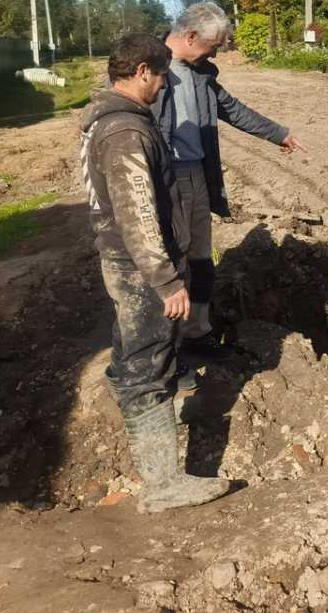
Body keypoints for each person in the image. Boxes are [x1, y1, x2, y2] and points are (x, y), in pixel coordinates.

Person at [81, 33, 229, 514]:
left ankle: (144, 445)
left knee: (133, 356)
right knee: (150, 364)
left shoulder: (107, 119)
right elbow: (138, 212)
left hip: (125, 263)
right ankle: (164, 485)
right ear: (142, 70)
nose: (165, 85)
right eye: (162, 74)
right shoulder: (126, 131)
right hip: (139, 268)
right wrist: (167, 281)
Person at [154, 2, 306, 361]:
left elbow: (233, 109)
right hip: (163, 182)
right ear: (191, 36)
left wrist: (277, 134)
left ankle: (197, 335)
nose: (218, 50)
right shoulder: (147, 66)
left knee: (201, 260)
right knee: (168, 263)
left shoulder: (201, 73)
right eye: (215, 44)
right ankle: (164, 349)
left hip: (197, 175)